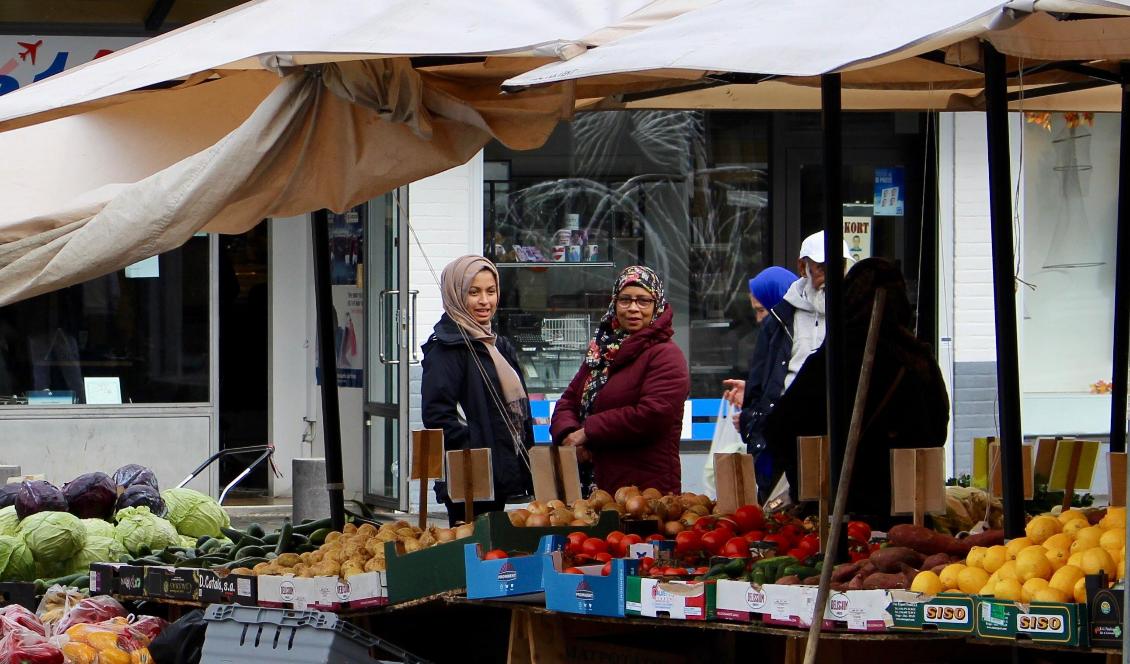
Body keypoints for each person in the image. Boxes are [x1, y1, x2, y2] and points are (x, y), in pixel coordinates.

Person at [763, 258, 950, 521]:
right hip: (906, 517)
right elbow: (937, 432)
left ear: (848, 299)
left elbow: (779, 427)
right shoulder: (918, 361)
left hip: (837, 518)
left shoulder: (833, 361)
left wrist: (810, 478)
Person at [551, 266, 690, 495]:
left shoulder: (666, 355)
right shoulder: (601, 351)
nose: (633, 308)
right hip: (590, 485)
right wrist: (569, 436)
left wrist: (588, 431)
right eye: (625, 300)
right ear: (614, 303)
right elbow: (568, 401)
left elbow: (652, 415)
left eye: (643, 300)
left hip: (642, 491)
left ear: (657, 305)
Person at [421, 255, 533, 525]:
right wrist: (478, 452)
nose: (485, 301)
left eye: (491, 291)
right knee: (473, 554)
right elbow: (438, 416)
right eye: (474, 292)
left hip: (501, 472)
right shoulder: (446, 349)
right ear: (456, 295)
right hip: (469, 478)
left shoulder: (497, 345)